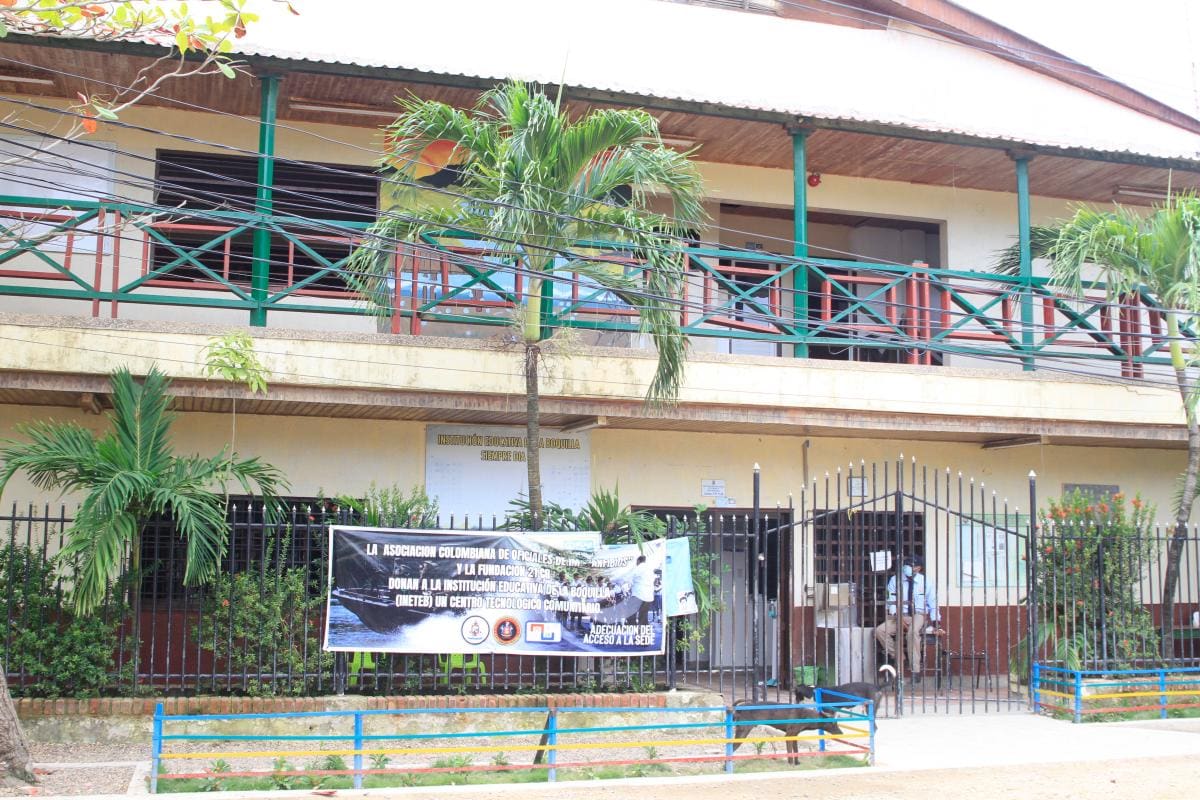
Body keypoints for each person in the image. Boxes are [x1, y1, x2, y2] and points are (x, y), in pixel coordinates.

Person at [873, 554, 939, 681]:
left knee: (912, 632)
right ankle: (899, 656)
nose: (907, 567)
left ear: (918, 568)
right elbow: (890, 600)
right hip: (899, 614)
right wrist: (897, 616)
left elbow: (933, 603)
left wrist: (936, 622)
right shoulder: (895, 580)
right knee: (880, 631)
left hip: (918, 614)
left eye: (911, 565)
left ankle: (915, 670)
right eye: (907, 564)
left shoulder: (926, 582)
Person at [629, 555, 658, 627]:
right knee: (643, 616)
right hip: (648, 596)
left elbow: (630, 581)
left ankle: (637, 632)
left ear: (638, 561)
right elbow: (654, 581)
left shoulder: (637, 568)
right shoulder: (650, 569)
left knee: (631, 614)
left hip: (638, 595)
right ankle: (644, 636)